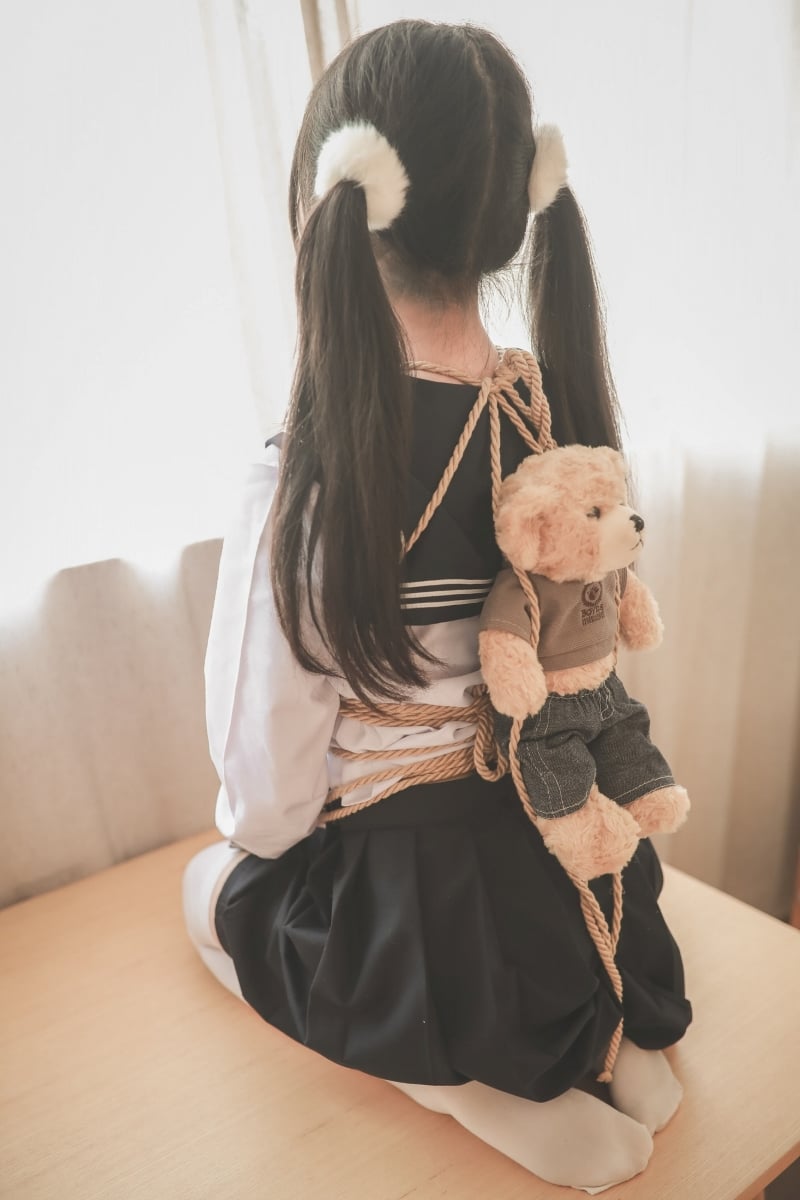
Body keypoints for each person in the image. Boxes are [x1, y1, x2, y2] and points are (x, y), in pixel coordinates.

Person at [182, 19, 692, 1193]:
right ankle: (613, 1046)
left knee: (210, 888)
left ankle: (461, 1084)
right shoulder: (555, 419)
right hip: (581, 865)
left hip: (427, 914)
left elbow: (266, 798)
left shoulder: (303, 474)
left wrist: (262, 857)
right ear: (516, 202)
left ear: (333, 200)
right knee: (538, 947)